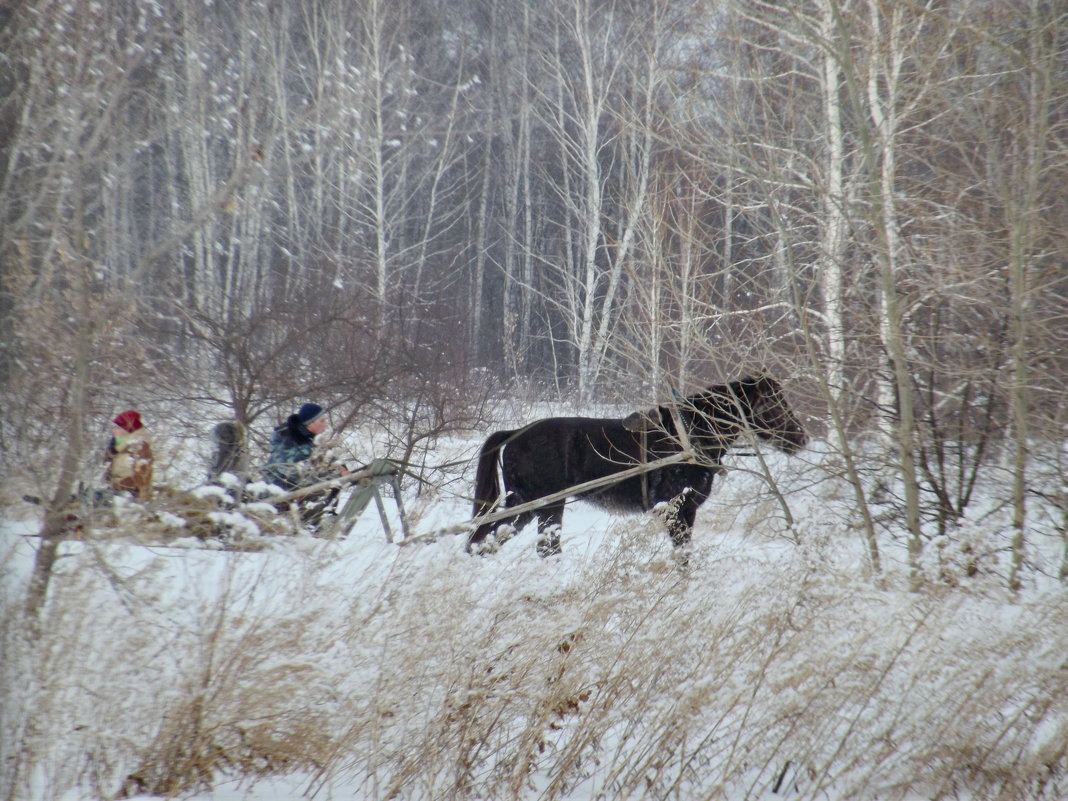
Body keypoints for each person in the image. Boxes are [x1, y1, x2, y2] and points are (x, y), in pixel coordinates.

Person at [262, 403, 349, 492]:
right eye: (322, 421)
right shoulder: (286, 439)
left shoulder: (311, 437)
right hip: (275, 492)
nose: (325, 425)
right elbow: (292, 472)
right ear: (310, 423)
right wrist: (334, 476)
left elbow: (324, 457)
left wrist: (341, 468)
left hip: (296, 492)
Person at [105, 409, 153, 499]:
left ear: (128, 429)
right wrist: (111, 449)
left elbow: (142, 478)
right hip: (115, 491)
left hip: (130, 495)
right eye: (115, 427)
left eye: (119, 427)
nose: (114, 430)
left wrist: (118, 487)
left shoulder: (140, 447)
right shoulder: (118, 444)